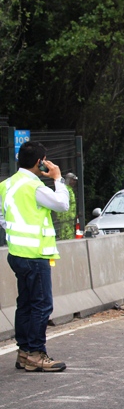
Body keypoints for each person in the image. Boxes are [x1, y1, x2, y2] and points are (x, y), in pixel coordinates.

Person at [0, 141, 69, 372]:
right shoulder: (34, 186)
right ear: (40, 162)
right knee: (41, 305)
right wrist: (58, 178)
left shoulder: (7, 185)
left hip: (17, 254)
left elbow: (2, 217)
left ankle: (24, 352)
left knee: (26, 304)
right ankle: (36, 354)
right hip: (36, 255)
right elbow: (62, 204)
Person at [54, 172, 78, 240]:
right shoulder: (65, 190)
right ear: (69, 180)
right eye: (73, 180)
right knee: (65, 235)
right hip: (65, 218)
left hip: (70, 218)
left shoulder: (69, 189)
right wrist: (60, 216)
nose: (74, 182)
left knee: (69, 234)